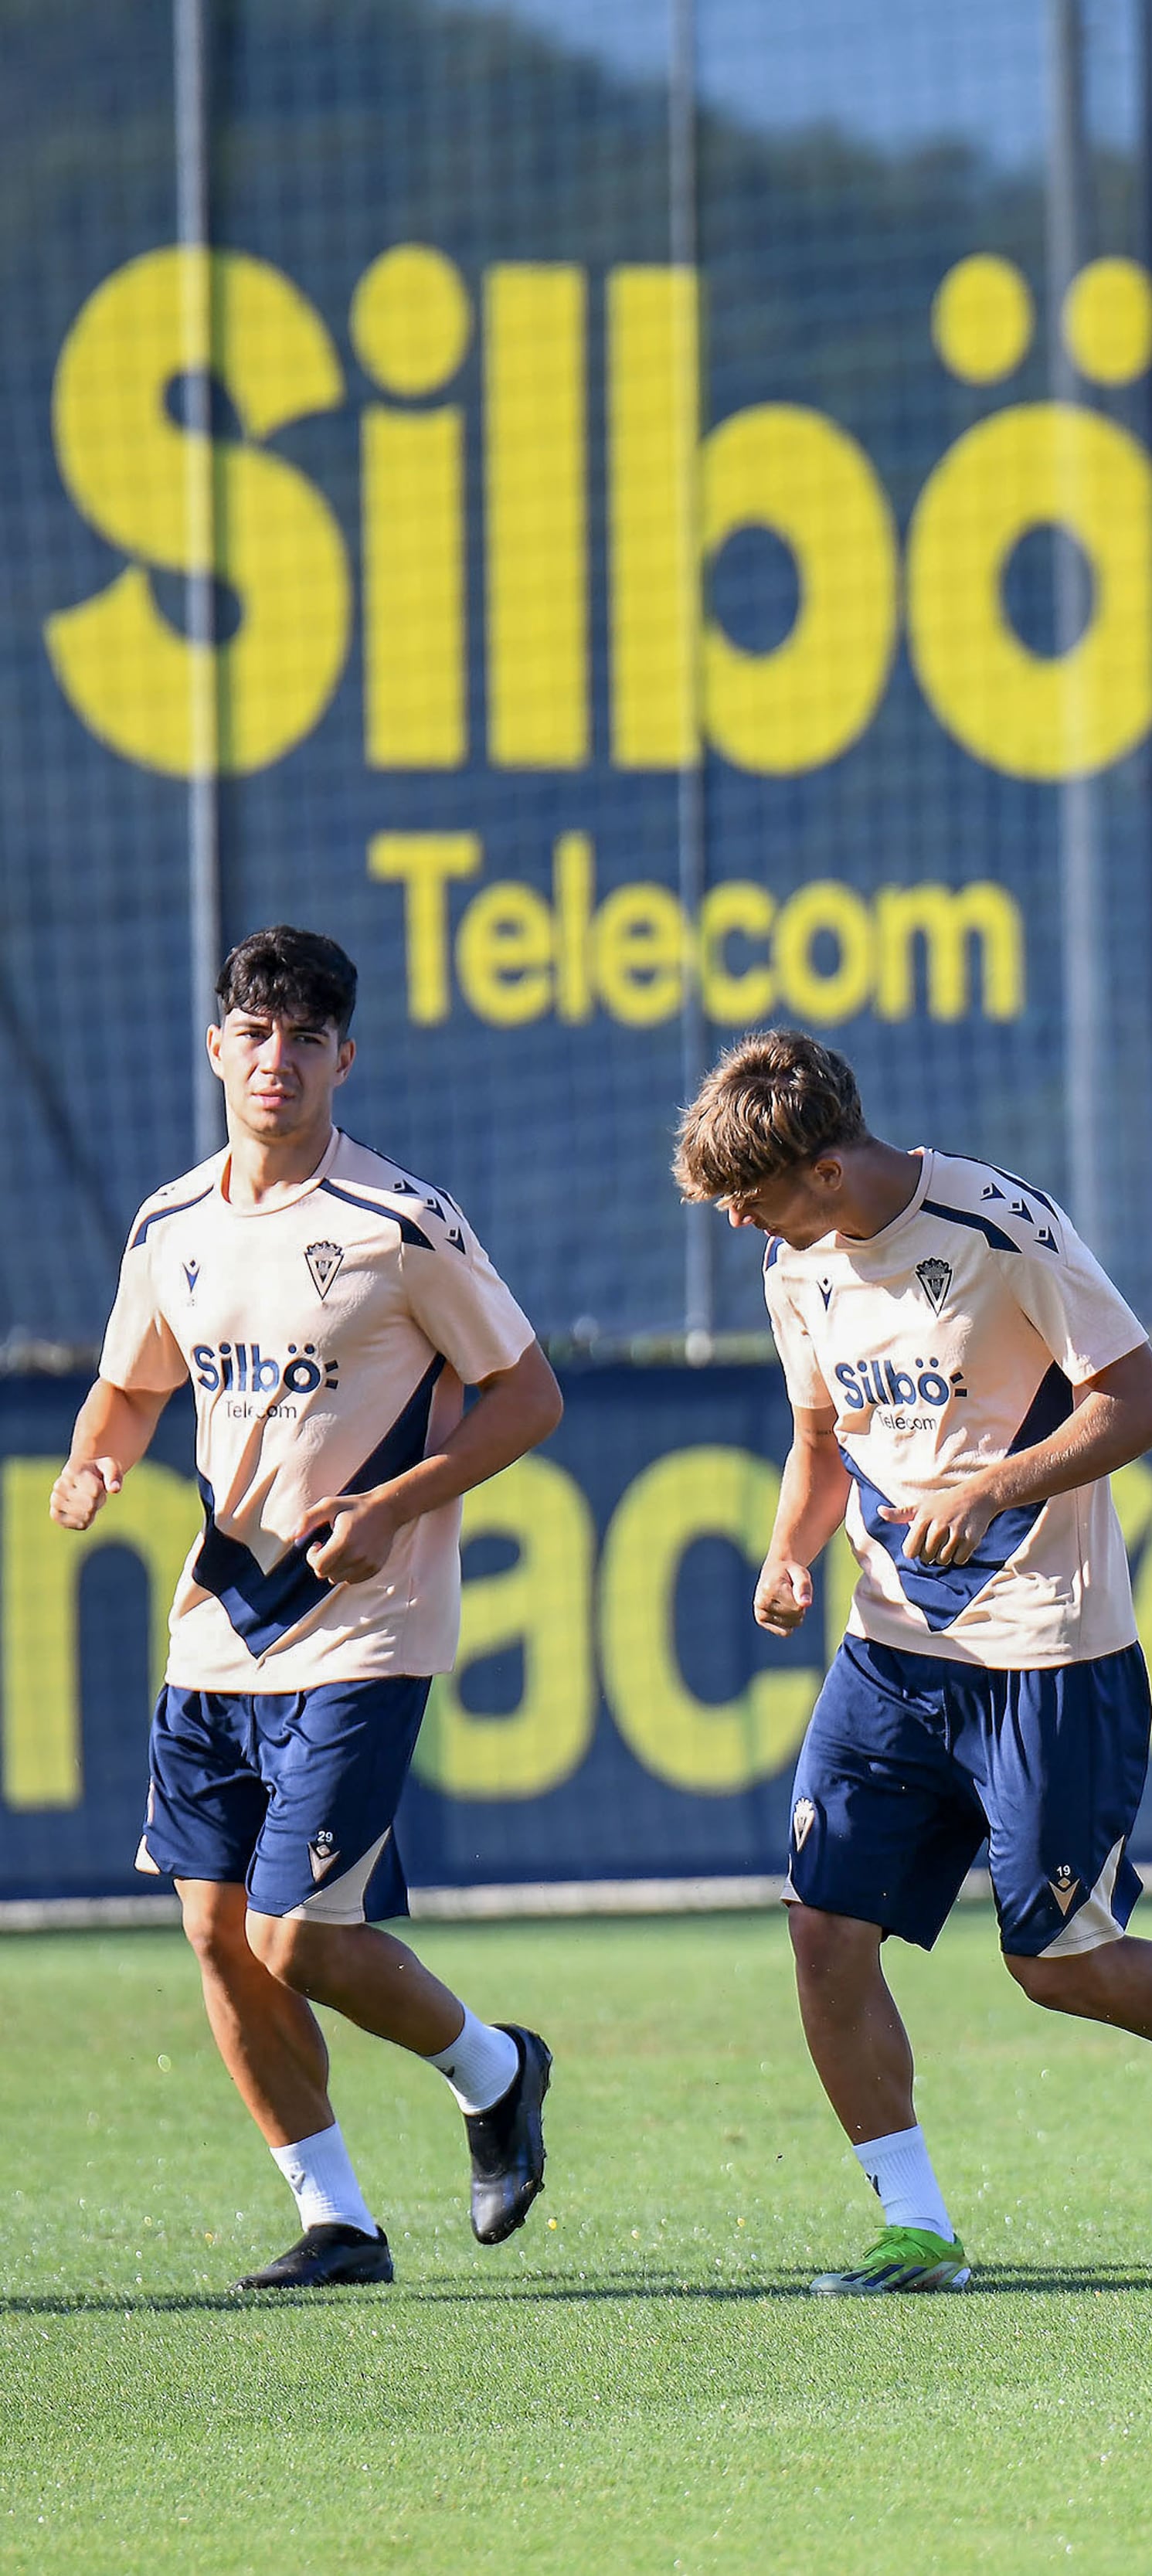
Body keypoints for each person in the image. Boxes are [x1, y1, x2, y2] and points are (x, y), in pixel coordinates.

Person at [682, 1031, 1152, 2295]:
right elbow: (824, 1437)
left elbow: (1141, 1402)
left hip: (1048, 1644)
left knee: (1054, 1961)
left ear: (822, 1170)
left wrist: (996, 1485)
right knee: (822, 1928)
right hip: (890, 1647)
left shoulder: (998, 1227)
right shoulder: (789, 1264)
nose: (738, 1219)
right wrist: (789, 1552)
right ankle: (917, 2226)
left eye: (751, 1195)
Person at [55, 926, 562, 2289]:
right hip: (219, 1628)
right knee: (219, 1938)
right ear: (218, 1047)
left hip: (366, 1624)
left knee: (301, 1934)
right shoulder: (171, 1225)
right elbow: (133, 1383)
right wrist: (98, 1453)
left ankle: (496, 2070)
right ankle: (337, 2217)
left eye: (305, 1037)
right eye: (255, 1033)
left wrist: (398, 1504)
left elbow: (529, 1393)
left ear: (346, 1056)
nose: (277, 1059)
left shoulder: (401, 1222)